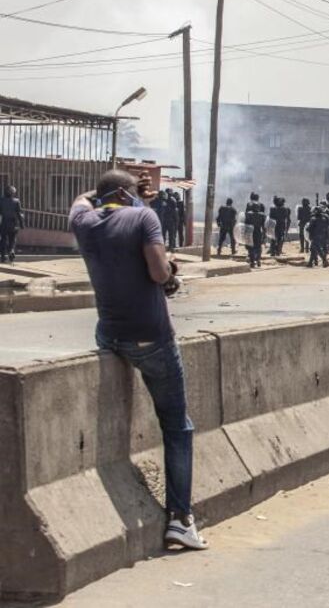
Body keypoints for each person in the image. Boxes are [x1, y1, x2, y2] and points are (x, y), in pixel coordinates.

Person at [68, 169, 208, 550]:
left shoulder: (83, 221)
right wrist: (171, 271)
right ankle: (180, 519)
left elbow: (83, 200)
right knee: (178, 427)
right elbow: (158, 271)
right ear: (130, 195)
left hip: (110, 334)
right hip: (151, 337)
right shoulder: (145, 217)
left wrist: (114, 190)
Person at [0, 185, 25, 264]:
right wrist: (22, 224)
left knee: (3, 240)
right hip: (13, 224)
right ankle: (11, 251)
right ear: (13, 193)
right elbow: (19, 213)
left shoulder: (1, 200)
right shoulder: (16, 201)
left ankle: (3, 257)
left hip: (4, 223)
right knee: (12, 239)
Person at [244, 192, 266, 268]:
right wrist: (264, 234)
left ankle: (252, 261)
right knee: (258, 246)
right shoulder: (262, 214)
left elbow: (246, 223)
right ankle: (258, 260)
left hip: (250, 231)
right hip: (258, 231)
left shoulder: (249, 213)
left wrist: (245, 232)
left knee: (251, 246)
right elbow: (264, 225)